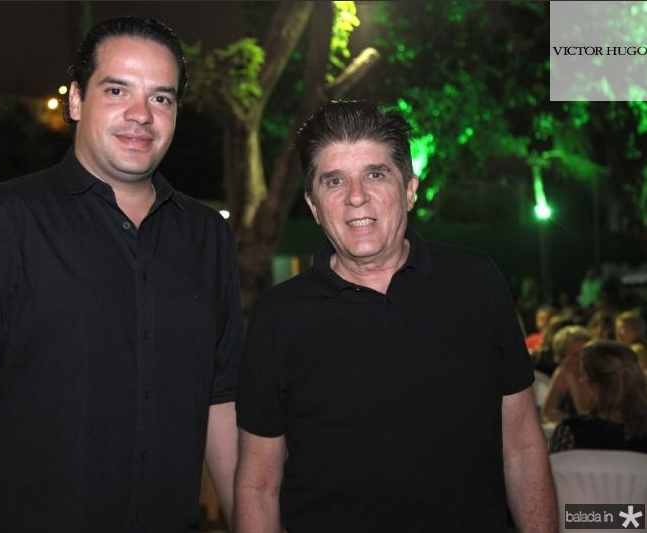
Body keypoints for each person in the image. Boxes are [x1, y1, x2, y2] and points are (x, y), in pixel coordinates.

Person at [0, 16, 243, 533]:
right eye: (117, 90)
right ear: (76, 100)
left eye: (161, 97)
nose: (141, 114)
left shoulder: (208, 237)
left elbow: (222, 402)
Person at [234, 100, 557, 532]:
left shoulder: (477, 282)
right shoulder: (278, 318)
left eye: (375, 174)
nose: (356, 196)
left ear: (409, 189)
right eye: (334, 180)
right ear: (313, 206)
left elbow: (521, 445)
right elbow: (258, 484)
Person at [549, 340, 647, 453]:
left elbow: (553, 464)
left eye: (582, 375)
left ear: (594, 386)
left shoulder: (570, 433)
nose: (580, 381)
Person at [541, 325, 592, 423]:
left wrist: (571, 381)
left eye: (585, 353)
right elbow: (547, 412)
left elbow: (586, 415)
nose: (581, 359)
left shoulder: (595, 374)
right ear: (563, 358)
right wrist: (570, 419)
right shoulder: (562, 374)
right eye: (575, 355)